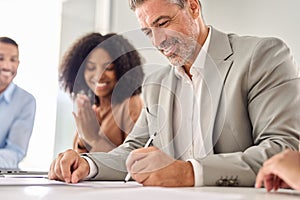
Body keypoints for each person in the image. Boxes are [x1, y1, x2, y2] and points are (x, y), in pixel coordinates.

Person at [48, 0, 300, 187]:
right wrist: (88, 164)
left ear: (193, 7)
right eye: (147, 32)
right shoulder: (156, 83)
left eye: (163, 23)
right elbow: (133, 150)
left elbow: (281, 148)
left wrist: (191, 172)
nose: (157, 41)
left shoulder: (261, 56)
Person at [59, 32, 144, 153]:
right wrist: (84, 140)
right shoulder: (92, 108)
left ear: (123, 69)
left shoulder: (130, 104)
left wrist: (93, 138)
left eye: (109, 68)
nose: (99, 76)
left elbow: (134, 161)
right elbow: (81, 161)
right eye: (91, 68)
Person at [0, 36, 36, 169]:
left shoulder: (26, 101)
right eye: (0, 58)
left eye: (13, 60)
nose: (7, 66)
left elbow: (15, 152)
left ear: (18, 64)